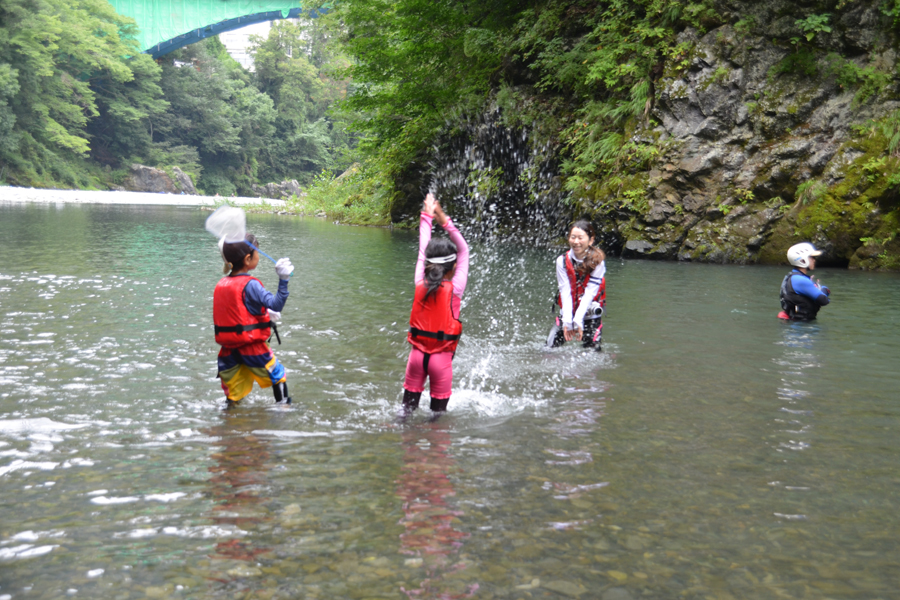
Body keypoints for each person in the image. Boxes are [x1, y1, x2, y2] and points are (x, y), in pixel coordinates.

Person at [401, 193, 469, 420]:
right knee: (437, 420)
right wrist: (443, 219)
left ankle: (404, 444)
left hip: (416, 358)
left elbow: (423, 247)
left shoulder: (419, 281)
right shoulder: (456, 288)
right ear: (454, 265)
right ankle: (434, 452)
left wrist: (427, 216)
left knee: (405, 413)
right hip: (441, 361)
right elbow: (464, 249)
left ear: (427, 264)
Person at [214, 234, 294, 406]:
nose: (259, 256)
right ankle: (283, 414)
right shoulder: (252, 284)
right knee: (278, 377)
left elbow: (238, 310)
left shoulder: (222, 283)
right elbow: (276, 304)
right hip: (253, 349)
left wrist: (264, 312)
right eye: (258, 252)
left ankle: (230, 425)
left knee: (234, 394)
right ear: (248, 258)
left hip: (228, 352)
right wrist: (283, 280)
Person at [546, 219, 606, 350]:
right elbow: (565, 290)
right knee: (548, 348)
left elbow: (590, 293)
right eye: (573, 237)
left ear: (590, 240)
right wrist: (568, 320)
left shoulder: (598, 263)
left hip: (590, 314)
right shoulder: (561, 261)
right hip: (567, 311)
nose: (576, 241)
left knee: (593, 353)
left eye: (580, 238)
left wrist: (578, 319)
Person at [779, 242, 830, 321]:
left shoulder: (791, 276)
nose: (814, 260)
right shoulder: (800, 280)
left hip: (796, 324)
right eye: (812, 257)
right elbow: (823, 300)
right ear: (802, 259)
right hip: (802, 328)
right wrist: (824, 289)